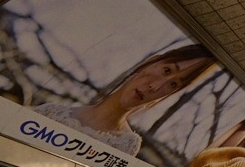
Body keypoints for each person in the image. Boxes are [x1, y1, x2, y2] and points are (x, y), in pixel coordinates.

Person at [34, 44, 217, 156]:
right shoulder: (53, 113)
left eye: (173, 84)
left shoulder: (126, 144)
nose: (155, 86)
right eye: (167, 70)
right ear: (152, 62)